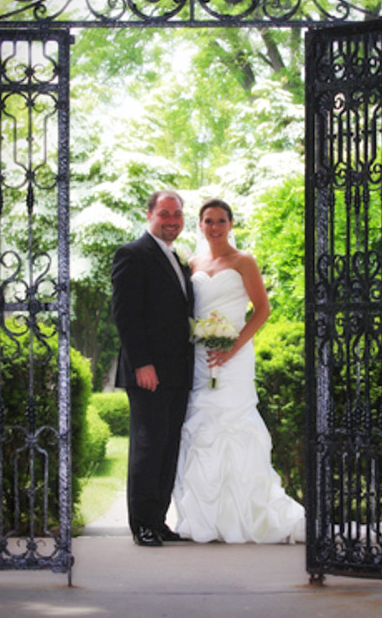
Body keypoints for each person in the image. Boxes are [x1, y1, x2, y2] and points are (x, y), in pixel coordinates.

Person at [171, 199, 304, 543]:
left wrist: (232, 347)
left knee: (235, 426)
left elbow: (262, 310)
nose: (214, 227)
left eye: (220, 221)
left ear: (231, 225)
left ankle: (249, 515)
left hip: (236, 356)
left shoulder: (244, 261)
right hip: (202, 358)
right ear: (199, 225)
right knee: (201, 429)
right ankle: (206, 519)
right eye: (208, 221)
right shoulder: (192, 263)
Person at [111, 189, 196, 547]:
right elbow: (126, 315)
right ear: (149, 215)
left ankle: (158, 521)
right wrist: (142, 363)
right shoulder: (132, 254)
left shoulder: (176, 257)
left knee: (167, 447)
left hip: (178, 373)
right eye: (165, 214)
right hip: (148, 372)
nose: (172, 221)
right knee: (147, 448)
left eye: (177, 215)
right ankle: (142, 524)